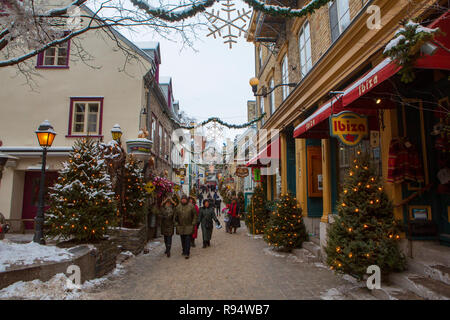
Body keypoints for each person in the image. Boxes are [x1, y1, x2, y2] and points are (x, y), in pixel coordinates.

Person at [174, 195, 198, 259]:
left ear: (186, 200)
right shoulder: (178, 207)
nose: (183, 200)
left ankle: (187, 252)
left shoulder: (191, 206)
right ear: (181, 200)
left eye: (184, 199)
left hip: (189, 226)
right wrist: (176, 223)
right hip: (181, 226)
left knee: (187, 239)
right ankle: (184, 250)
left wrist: (193, 223)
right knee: (183, 239)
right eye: (182, 199)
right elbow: (175, 217)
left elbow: (195, 215)